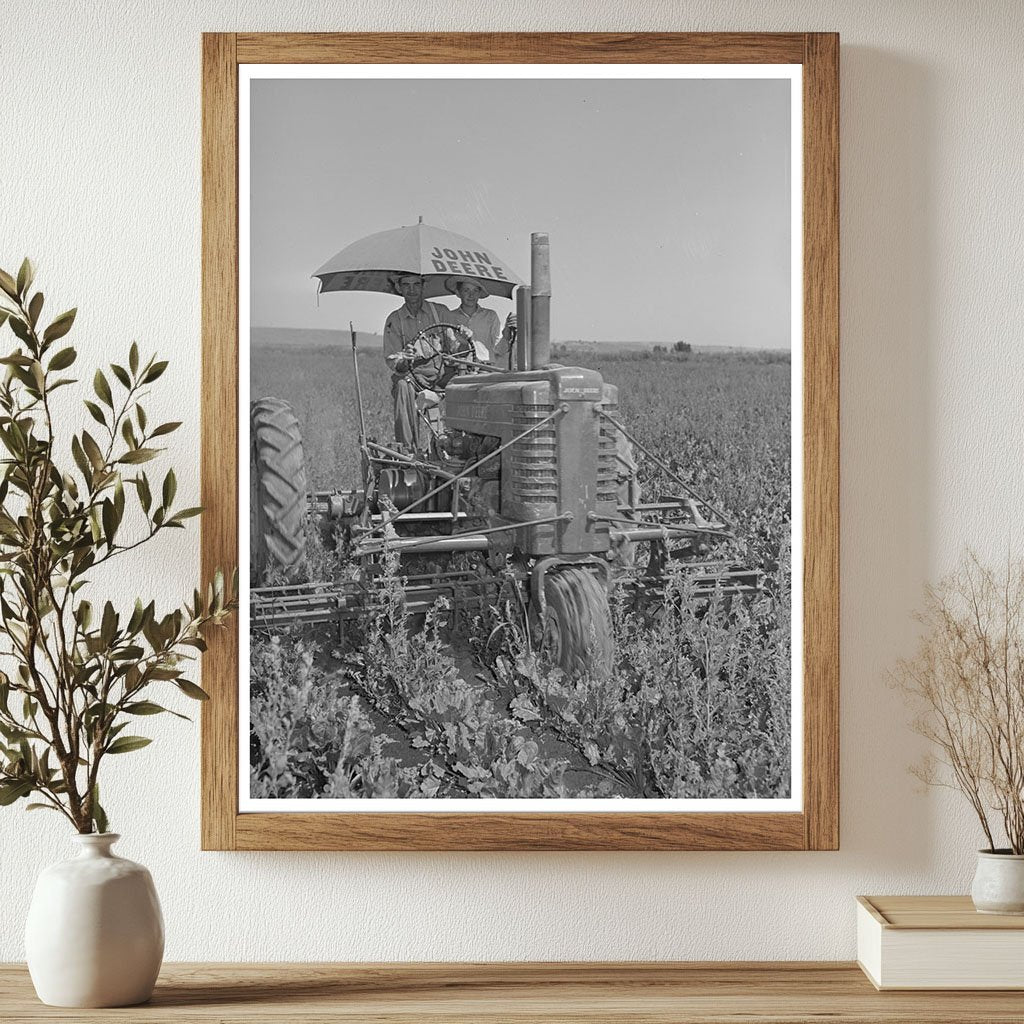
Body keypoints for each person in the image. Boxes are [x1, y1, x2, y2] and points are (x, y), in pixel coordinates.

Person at [382, 274, 449, 448]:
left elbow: (457, 345)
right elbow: (393, 361)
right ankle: (408, 450)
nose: (411, 290)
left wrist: (465, 335)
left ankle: (456, 449)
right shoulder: (395, 320)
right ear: (400, 288)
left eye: (416, 284)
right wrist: (405, 358)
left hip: (441, 376)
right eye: (406, 285)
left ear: (423, 286)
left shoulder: (440, 312)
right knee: (402, 386)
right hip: (412, 377)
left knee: (469, 384)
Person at [444, 276, 515, 367]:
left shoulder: (491, 315)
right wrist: (464, 342)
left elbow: (500, 350)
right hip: (460, 369)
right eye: (466, 290)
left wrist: (506, 333)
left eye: (475, 291)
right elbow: (452, 350)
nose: (471, 295)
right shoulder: (449, 317)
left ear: (479, 294)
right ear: (458, 293)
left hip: (487, 368)